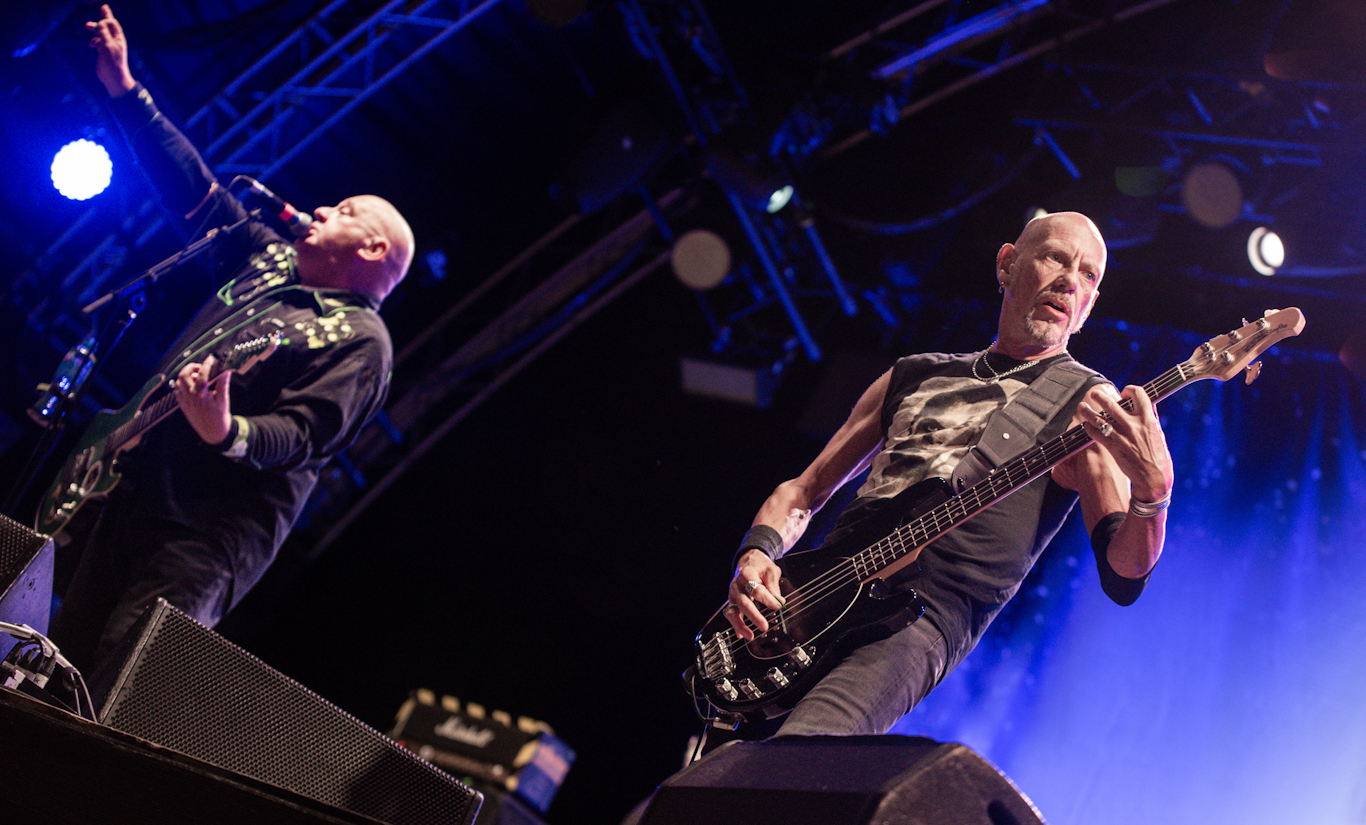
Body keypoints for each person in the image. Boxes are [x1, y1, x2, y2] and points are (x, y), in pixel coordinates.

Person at [47, 5, 415, 675]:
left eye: (345, 210)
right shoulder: (266, 259)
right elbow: (193, 190)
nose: (324, 208)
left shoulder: (364, 340)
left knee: (113, 683)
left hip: (203, 535)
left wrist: (226, 431)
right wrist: (126, 90)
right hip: (136, 493)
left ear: (370, 245)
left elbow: (304, 435)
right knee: (54, 659)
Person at [721, 210, 1174, 736]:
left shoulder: (1087, 404)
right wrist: (756, 556)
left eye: (1089, 275)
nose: (1070, 280)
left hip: (922, 617)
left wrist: (1153, 493)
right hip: (816, 594)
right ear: (1007, 264)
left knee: (799, 757)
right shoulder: (915, 374)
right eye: (1055, 257)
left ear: (1089, 306)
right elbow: (804, 491)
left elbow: (1123, 574)